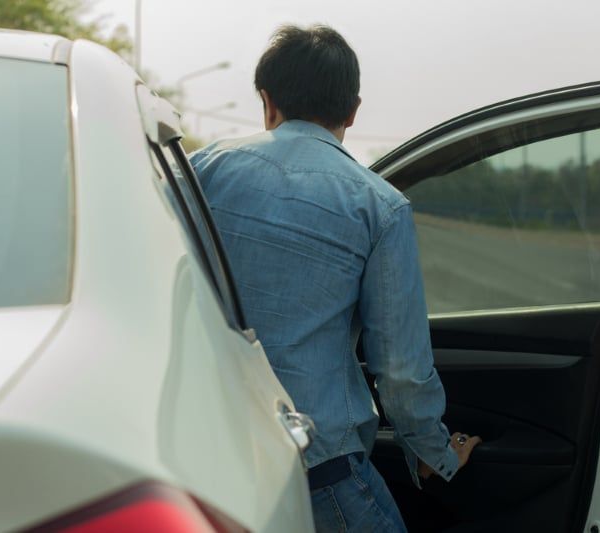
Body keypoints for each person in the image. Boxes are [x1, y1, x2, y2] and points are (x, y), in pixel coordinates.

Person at [189, 24, 480, 532]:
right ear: (353, 110)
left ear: (267, 101)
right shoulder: (380, 206)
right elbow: (401, 370)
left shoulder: (201, 170)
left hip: (202, 457)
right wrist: (433, 452)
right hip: (317, 469)